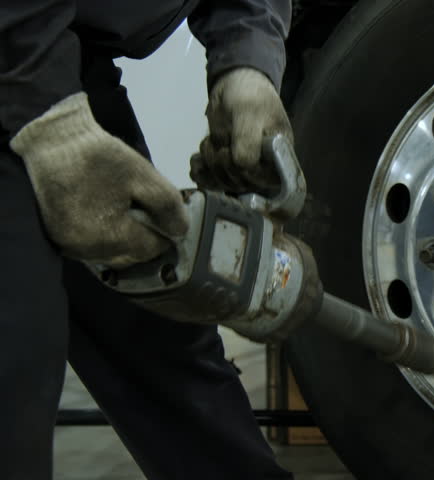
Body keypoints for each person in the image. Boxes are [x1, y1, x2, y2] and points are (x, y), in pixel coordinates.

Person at [0, 1, 298, 478]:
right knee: (18, 355)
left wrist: (247, 62)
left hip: (62, 59)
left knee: (159, 330)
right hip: (18, 47)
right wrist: (53, 128)